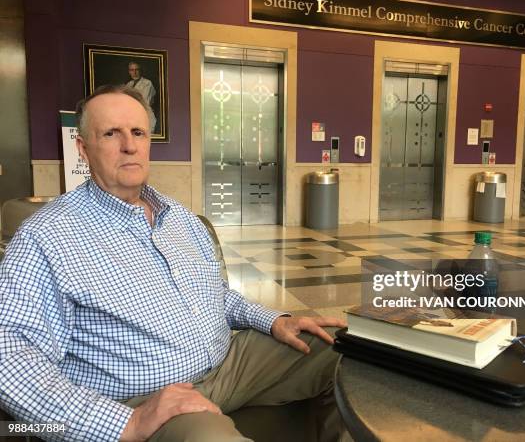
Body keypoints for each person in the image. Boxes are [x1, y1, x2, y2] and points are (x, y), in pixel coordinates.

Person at [0, 85, 347, 442]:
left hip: (230, 365)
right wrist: (125, 423)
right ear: (83, 149)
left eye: (137, 132)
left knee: (347, 349)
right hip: (144, 398)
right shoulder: (47, 235)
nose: (129, 145)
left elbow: (216, 295)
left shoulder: (179, 218)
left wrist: (274, 320)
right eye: (110, 133)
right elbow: (9, 355)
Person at [126, 61, 157, 131]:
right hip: (131, 117)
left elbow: (144, 101)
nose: (134, 72)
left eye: (137, 69)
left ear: (140, 71)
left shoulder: (147, 83)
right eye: (132, 70)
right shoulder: (128, 84)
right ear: (129, 72)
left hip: (146, 116)